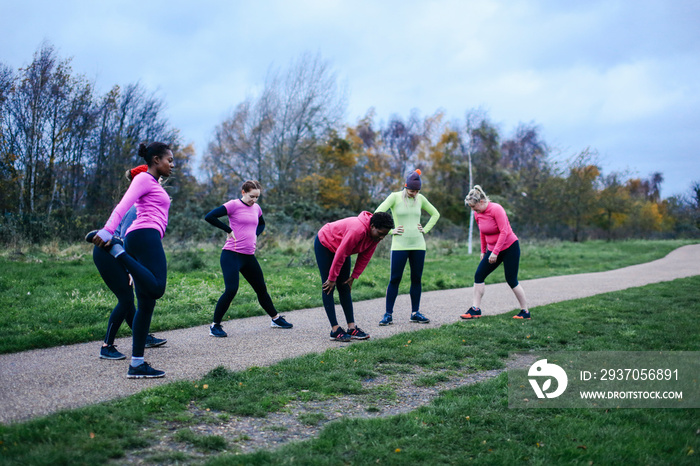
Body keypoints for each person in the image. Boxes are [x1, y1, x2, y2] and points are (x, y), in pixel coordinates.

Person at [89, 142, 174, 378]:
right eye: (170, 160)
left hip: (146, 236)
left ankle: (136, 364)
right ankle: (119, 252)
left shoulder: (153, 183)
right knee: (156, 289)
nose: (172, 165)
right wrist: (108, 233)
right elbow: (123, 204)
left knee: (146, 303)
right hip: (144, 235)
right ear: (156, 160)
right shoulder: (145, 179)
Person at [204, 180, 293, 337]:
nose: (254, 200)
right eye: (252, 196)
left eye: (257, 197)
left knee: (261, 289)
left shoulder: (256, 208)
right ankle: (215, 326)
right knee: (231, 289)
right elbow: (209, 216)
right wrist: (228, 229)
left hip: (248, 256)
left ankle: (275, 319)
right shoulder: (233, 205)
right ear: (243, 192)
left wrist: (255, 235)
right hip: (231, 254)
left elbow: (261, 224)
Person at [314, 211, 394, 341]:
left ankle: (351, 328)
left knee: (344, 286)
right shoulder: (358, 230)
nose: (381, 238)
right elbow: (341, 253)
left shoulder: (375, 237)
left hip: (342, 249)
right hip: (326, 243)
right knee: (328, 286)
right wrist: (332, 278)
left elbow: (365, 256)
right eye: (380, 234)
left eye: (384, 235)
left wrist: (354, 276)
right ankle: (335, 330)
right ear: (372, 226)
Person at [375, 169, 440, 326]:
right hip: (399, 245)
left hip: (418, 244)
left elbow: (435, 214)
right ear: (405, 187)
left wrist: (425, 229)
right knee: (395, 279)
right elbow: (377, 214)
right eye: (411, 190)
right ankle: (388, 315)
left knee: (416, 279)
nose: (414, 194)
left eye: (417, 191)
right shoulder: (394, 197)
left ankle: (415, 313)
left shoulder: (420, 198)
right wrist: (391, 230)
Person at [460, 185, 531, 320]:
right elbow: (482, 232)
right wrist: (483, 251)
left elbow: (504, 232)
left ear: (481, 202)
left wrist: (495, 252)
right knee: (479, 275)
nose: (472, 210)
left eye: (473, 206)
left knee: (511, 280)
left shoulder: (496, 209)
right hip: (493, 249)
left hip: (510, 247)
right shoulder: (477, 213)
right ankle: (475, 309)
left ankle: (525, 311)